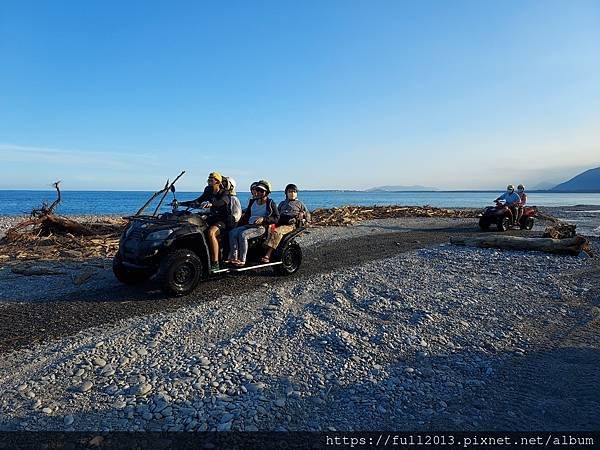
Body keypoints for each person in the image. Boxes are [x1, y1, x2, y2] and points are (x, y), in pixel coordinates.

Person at [180, 172, 230, 272]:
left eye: (211, 180)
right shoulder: (208, 190)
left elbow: (222, 202)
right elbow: (198, 201)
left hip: (223, 220)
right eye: (208, 180)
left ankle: (215, 263)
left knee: (211, 232)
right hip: (212, 217)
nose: (209, 182)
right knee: (195, 227)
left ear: (218, 182)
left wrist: (211, 204)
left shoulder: (224, 193)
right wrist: (181, 203)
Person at [227, 180, 279, 267]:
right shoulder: (253, 201)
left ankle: (242, 260)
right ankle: (233, 257)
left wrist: (264, 219)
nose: (258, 192)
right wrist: (237, 223)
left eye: (261, 191)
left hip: (261, 228)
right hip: (249, 225)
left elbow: (276, 218)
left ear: (267, 193)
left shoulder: (270, 203)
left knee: (243, 235)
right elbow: (246, 215)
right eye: (257, 190)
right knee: (232, 233)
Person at [262, 183, 311, 263]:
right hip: (279, 221)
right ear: (286, 193)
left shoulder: (300, 204)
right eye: (290, 191)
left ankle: (268, 253)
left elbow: (308, 216)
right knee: (265, 230)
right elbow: (276, 214)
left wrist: (303, 214)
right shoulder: (282, 203)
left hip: (290, 224)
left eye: (294, 191)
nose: (292, 193)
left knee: (277, 232)